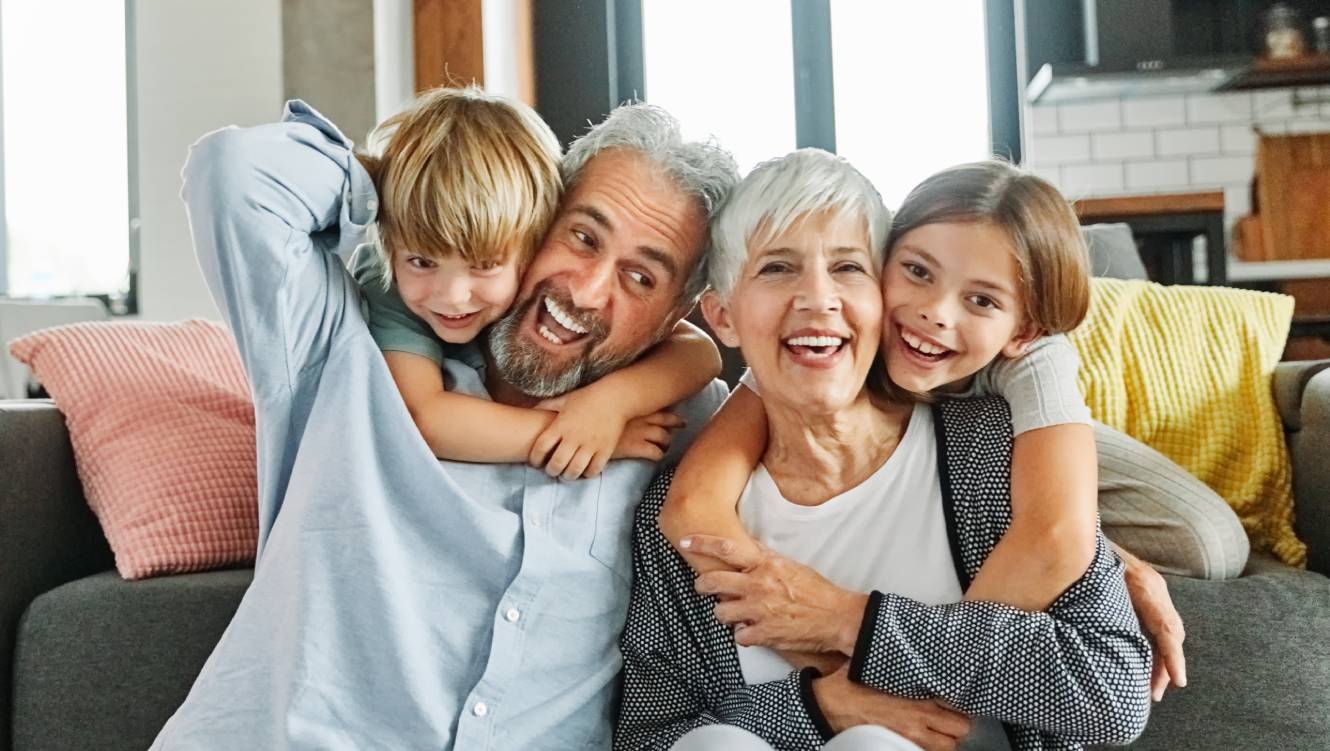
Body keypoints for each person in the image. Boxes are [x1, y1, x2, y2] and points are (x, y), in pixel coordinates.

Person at [151, 98, 737, 749]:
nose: (588, 290)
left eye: (639, 276)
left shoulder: (685, 423)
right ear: (534, 214)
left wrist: (619, 397)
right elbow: (232, 174)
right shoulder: (339, 346)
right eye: (581, 236)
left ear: (673, 312)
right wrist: (424, 179)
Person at [617, 153, 1152, 750]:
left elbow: (1114, 691)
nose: (818, 300)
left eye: (847, 267)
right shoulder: (681, 514)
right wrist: (820, 707)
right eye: (776, 269)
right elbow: (648, 735)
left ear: (878, 293)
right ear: (722, 316)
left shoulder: (992, 452)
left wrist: (853, 621)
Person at [346, 87, 722, 480]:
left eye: (640, 277)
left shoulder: (699, 427)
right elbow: (422, 417)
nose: (453, 295)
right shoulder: (386, 279)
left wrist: (611, 404)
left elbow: (699, 352)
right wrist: (578, 434)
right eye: (584, 238)